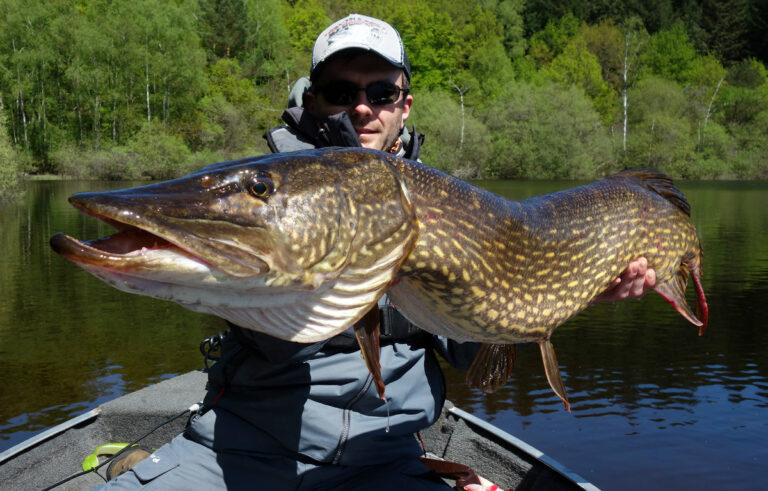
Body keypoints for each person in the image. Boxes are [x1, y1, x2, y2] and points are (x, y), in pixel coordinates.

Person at [98, 14, 654, 490]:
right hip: (242, 448)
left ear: (404, 106)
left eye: (381, 93)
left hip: (385, 460)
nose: (363, 108)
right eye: (342, 91)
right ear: (313, 99)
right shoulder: (274, 193)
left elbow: (473, 357)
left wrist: (571, 295)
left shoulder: (446, 202)